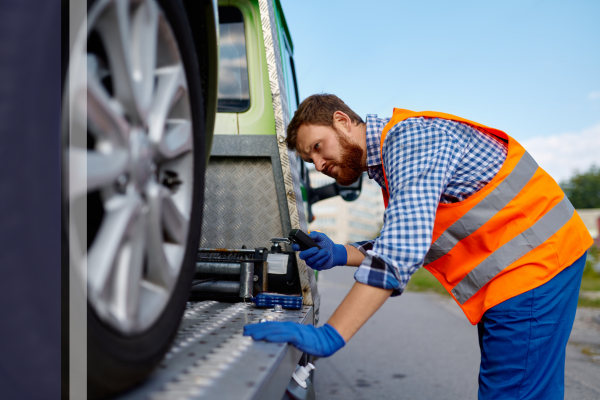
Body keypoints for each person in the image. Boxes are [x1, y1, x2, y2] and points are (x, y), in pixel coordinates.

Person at [243, 94, 593, 399]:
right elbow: (420, 235)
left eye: (318, 147)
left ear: (342, 121)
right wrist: (341, 252)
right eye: (310, 161)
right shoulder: (394, 161)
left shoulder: (411, 140)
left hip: (534, 264)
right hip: (532, 261)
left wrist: (330, 335)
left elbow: (402, 249)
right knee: (529, 386)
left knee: (511, 391)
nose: (319, 166)